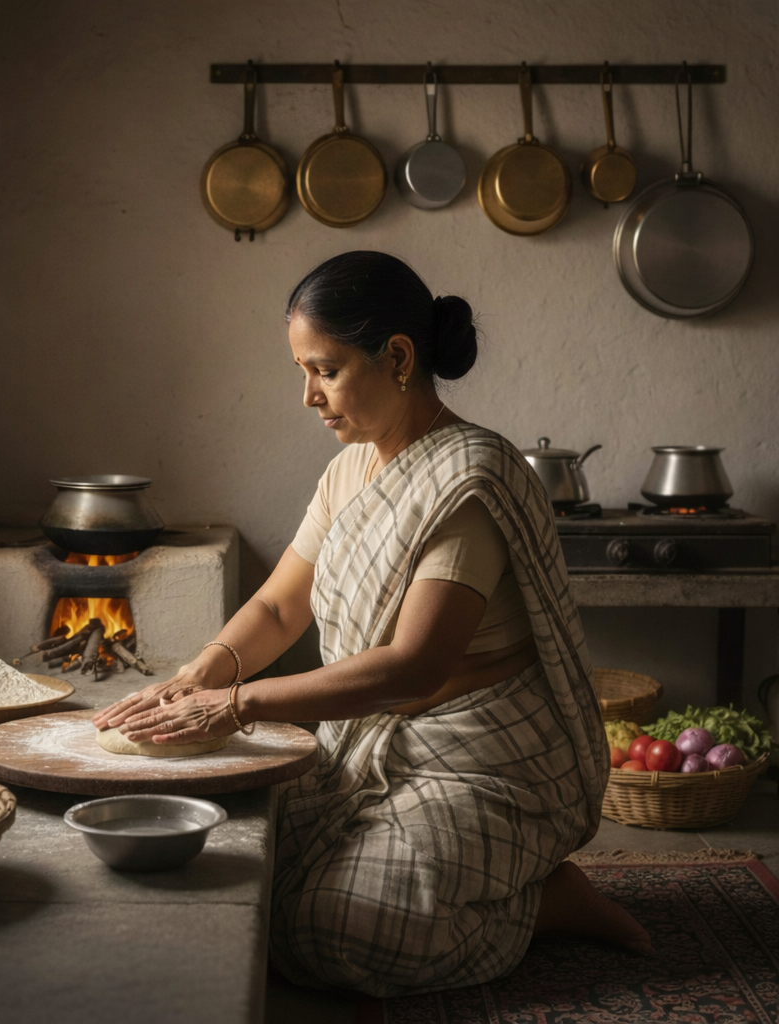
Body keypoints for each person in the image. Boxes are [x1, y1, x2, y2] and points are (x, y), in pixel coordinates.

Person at [93, 251, 651, 997]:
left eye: (324, 370)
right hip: (368, 740)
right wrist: (198, 675)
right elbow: (277, 606)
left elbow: (414, 667)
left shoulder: (469, 479)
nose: (307, 397)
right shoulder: (349, 470)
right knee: (235, 860)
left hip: (482, 758)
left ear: (396, 357)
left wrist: (237, 704)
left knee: (339, 929)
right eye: (302, 371)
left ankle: (553, 902)